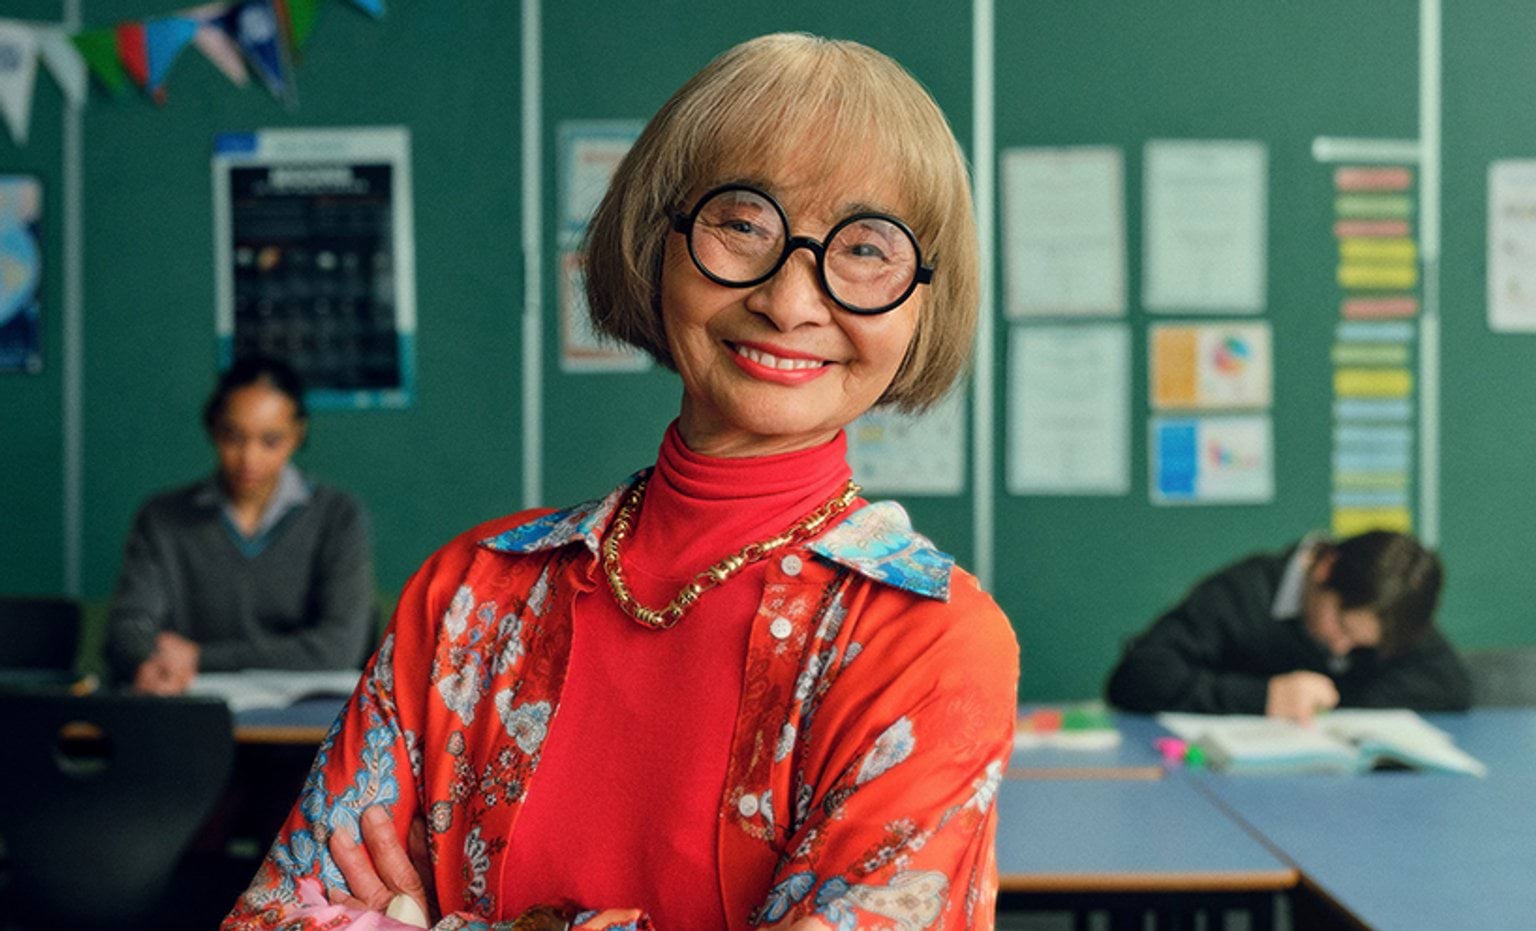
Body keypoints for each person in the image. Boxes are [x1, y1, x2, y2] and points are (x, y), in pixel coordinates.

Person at [224, 32, 1019, 931]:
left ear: (923, 296)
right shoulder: (471, 594)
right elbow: (273, 918)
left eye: (867, 247)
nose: (791, 301)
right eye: (744, 222)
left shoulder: (927, 641)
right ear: (658, 240)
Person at [107, 355, 376, 694]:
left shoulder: (338, 516)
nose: (249, 458)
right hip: (189, 710)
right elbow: (128, 628)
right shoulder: (162, 518)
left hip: (303, 726)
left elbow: (339, 647)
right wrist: (150, 661)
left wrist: (200, 657)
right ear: (212, 428)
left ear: (297, 435)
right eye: (233, 437)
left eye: (271, 441)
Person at [1105, 529, 1471, 722]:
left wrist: (1337, 703)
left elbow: (1450, 685)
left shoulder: (1387, 607)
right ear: (1326, 569)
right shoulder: (1243, 593)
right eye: (1341, 625)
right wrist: (1264, 698)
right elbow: (1138, 677)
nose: (1342, 648)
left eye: (1361, 646)